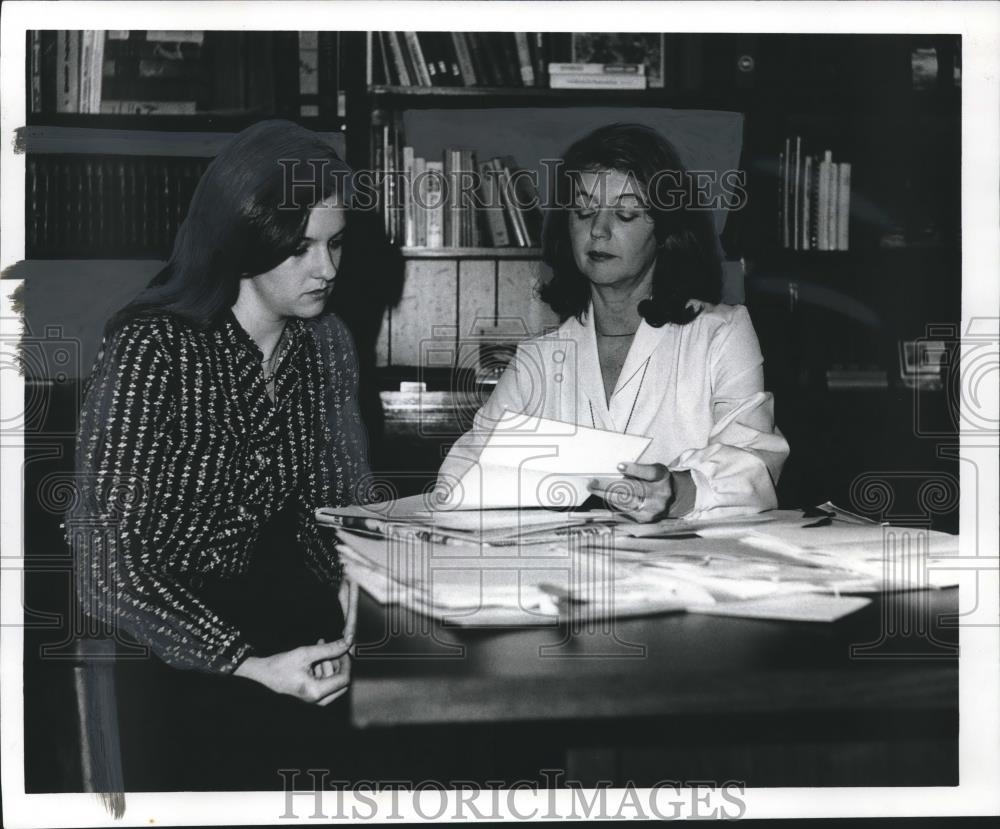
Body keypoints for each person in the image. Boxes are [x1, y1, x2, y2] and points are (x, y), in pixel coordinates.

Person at [65, 120, 370, 790]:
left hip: (270, 613)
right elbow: (107, 568)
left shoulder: (326, 344)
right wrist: (248, 665)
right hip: (155, 637)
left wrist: (359, 589)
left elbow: (339, 508)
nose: (328, 268)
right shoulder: (153, 348)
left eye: (337, 242)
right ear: (244, 239)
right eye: (303, 248)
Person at [439, 123, 789, 521]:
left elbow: (756, 464)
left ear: (666, 229)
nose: (598, 230)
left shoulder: (721, 334)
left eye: (625, 213)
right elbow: (460, 476)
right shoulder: (538, 358)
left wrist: (674, 491)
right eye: (584, 210)